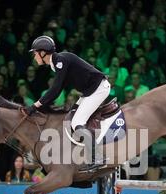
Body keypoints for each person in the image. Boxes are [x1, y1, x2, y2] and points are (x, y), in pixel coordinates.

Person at [26, 35, 110, 169]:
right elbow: (57, 91)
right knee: (71, 118)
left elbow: (55, 89)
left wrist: (35, 105)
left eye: (35, 53)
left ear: (43, 53)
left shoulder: (61, 60)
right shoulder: (57, 64)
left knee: (77, 122)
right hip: (90, 91)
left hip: (98, 89)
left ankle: (97, 157)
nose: (34, 57)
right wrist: (40, 106)